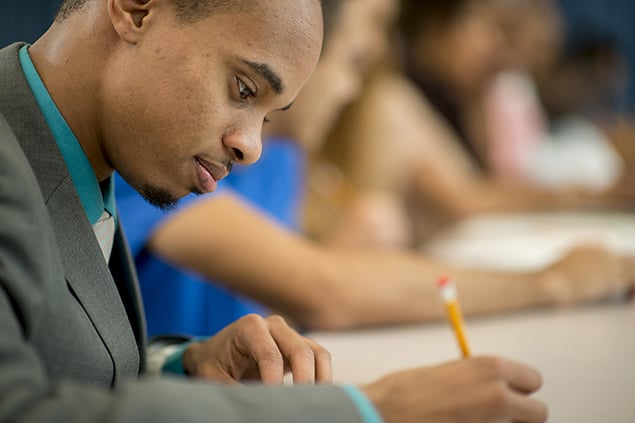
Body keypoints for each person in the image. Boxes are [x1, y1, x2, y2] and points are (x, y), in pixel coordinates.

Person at [0, 0, 550, 422]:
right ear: (136, 9)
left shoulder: (88, 156)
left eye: (269, 114)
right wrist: (370, 408)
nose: (253, 148)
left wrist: (183, 365)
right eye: (243, 88)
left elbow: (48, 357)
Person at [114, 0, 635, 340]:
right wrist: (554, 281)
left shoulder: (280, 159)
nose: (351, 89)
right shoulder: (165, 158)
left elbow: (287, 297)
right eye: (354, 62)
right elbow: (324, 289)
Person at [321, 0, 635, 244]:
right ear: (434, 25)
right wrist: (587, 198)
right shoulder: (393, 99)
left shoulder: (461, 99)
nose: (490, 44)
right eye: (476, 22)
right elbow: (462, 199)